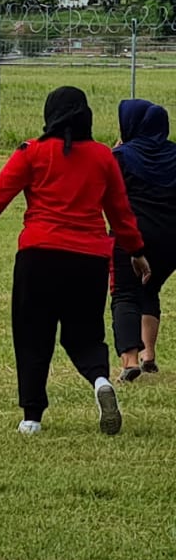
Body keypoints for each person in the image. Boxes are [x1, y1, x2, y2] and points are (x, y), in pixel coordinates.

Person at [0, 86, 148, 436]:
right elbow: (120, 213)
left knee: (33, 334)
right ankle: (99, 381)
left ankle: (32, 417)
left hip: (39, 255)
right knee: (85, 333)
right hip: (89, 259)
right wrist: (136, 252)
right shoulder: (103, 157)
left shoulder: (31, 152)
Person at [110, 98, 176, 382]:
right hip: (171, 240)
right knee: (150, 290)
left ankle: (130, 360)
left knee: (125, 293)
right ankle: (149, 356)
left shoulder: (122, 157)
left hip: (132, 235)